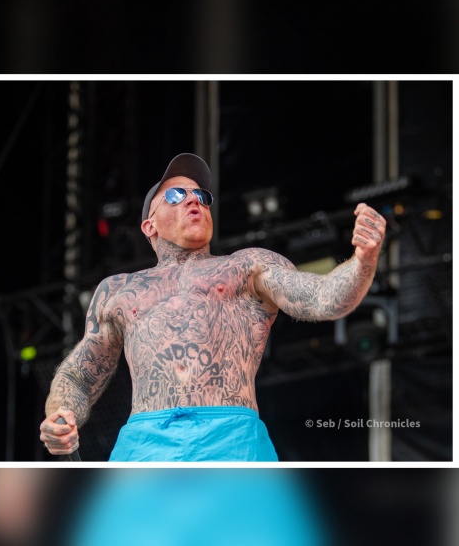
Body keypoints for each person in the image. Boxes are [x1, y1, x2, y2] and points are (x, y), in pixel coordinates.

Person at [39, 153, 386, 461]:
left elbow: (323, 298)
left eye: (202, 196)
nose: (194, 199)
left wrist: (364, 261)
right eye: (176, 195)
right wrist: (61, 414)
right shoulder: (117, 290)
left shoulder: (248, 266)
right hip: (144, 444)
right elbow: (78, 375)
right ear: (149, 225)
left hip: (231, 438)